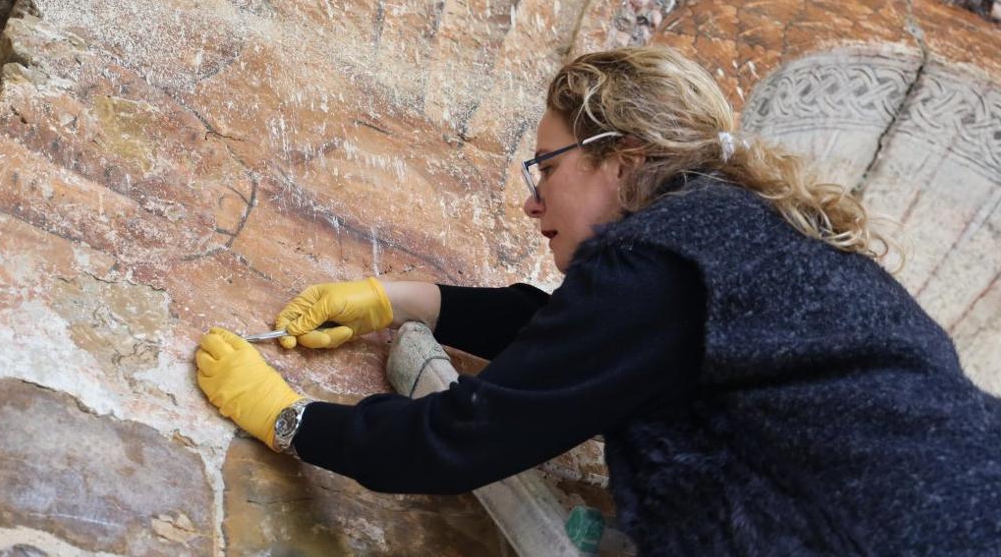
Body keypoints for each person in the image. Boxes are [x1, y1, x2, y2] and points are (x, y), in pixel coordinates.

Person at [195, 46, 1001, 556]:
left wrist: (289, 419)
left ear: (622, 158)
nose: (532, 203)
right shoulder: (747, 238)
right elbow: (589, 344)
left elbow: (461, 439)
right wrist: (405, 299)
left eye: (545, 169)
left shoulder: (668, 262)